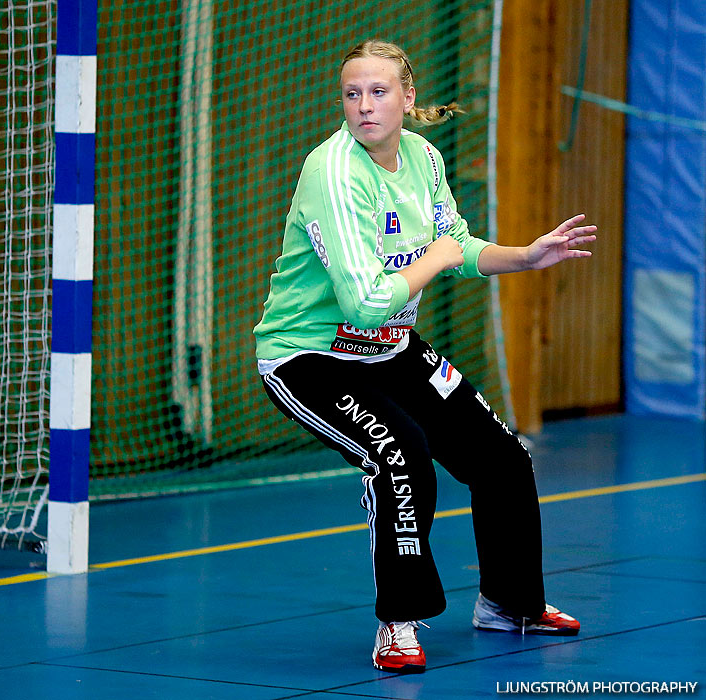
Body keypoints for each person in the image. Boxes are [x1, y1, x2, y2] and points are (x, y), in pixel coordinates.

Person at [253, 40, 596, 674]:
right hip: (310, 356)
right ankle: (398, 622)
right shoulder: (331, 174)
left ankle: (509, 603)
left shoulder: (425, 158)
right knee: (401, 452)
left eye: (379, 92)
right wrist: (436, 255)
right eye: (351, 93)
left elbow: (457, 245)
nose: (363, 106)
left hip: (392, 349)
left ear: (408, 99)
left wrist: (523, 255)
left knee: (503, 458)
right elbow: (363, 304)